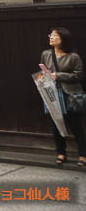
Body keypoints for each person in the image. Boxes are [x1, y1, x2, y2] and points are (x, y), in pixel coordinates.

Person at [40, 27, 86, 167]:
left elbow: (79, 75)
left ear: (63, 39)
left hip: (70, 94)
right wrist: (43, 78)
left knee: (75, 125)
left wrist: (58, 76)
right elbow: (43, 72)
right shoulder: (46, 54)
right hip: (52, 93)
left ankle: (83, 154)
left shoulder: (73, 57)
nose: (51, 37)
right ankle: (61, 153)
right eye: (51, 35)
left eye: (55, 35)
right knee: (56, 124)